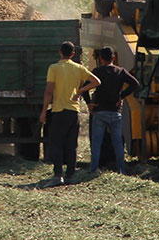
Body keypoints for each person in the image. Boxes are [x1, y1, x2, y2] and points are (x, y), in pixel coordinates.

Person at [38, 41, 100, 187]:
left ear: (60, 52)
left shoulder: (54, 68)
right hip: (74, 112)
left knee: (57, 143)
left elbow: (48, 91)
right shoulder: (79, 68)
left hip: (59, 111)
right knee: (71, 145)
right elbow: (97, 81)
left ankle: (58, 174)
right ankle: (70, 175)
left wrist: (43, 111)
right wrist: (80, 91)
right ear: (72, 54)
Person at [82, 46, 141, 175]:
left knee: (96, 143)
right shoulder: (121, 71)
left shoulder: (97, 71)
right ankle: (121, 169)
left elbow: (84, 87)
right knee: (118, 143)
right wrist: (122, 96)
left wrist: (89, 103)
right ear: (113, 57)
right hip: (115, 112)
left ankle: (93, 169)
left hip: (99, 111)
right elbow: (135, 83)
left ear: (101, 58)